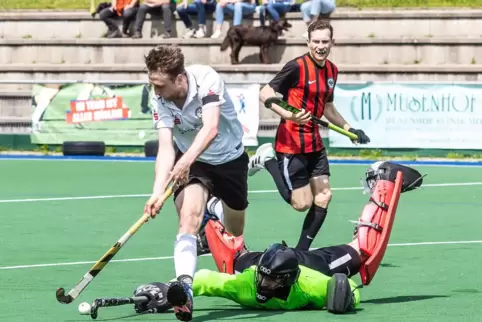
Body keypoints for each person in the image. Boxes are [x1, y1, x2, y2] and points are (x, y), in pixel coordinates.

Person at [142, 44, 250, 322]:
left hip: (229, 157)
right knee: (188, 217)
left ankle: (215, 209)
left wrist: (184, 161)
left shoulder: (207, 79)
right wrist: (156, 192)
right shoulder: (160, 100)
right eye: (152, 84)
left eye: (160, 85)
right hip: (195, 162)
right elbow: (166, 147)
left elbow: (211, 128)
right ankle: (185, 288)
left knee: (234, 229)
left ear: (179, 79)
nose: (155, 92)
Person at [249, 20, 371, 252]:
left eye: (325, 41)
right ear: (308, 42)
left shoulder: (332, 71)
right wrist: (288, 114)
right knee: (301, 204)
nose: (320, 46)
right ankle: (268, 161)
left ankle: (301, 251)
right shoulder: (296, 67)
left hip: (314, 144)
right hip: (290, 143)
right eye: (316, 41)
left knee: (324, 196)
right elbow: (265, 93)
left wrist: (349, 129)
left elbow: (328, 108)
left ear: (332, 43)